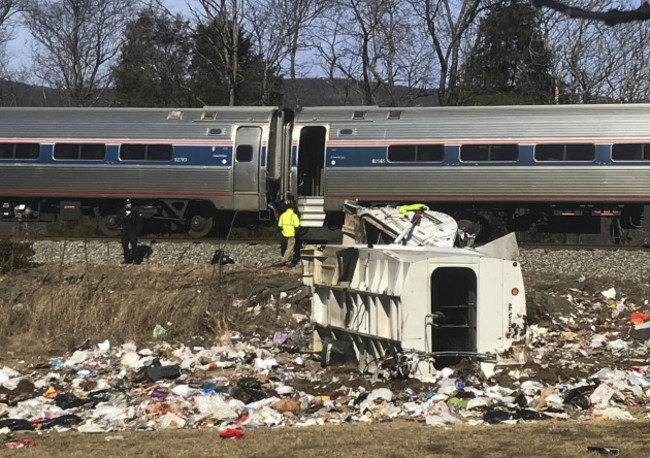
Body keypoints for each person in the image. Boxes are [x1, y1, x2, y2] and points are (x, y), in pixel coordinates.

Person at [116, 198, 140, 264]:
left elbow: (137, 221)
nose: (129, 205)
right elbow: (118, 219)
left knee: (134, 245)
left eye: (130, 204)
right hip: (124, 229)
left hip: (132, 229)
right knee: (125, 245)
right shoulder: (121, 211)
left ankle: (136, 260)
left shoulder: (135, 211)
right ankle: (127, 259)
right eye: (127, 204)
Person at [278, 199, 300, 265]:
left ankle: (289, 261)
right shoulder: (294, 216)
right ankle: (284, 259)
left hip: (284, 234)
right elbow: (297, 225)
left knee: (287, 248)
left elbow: (279, 225)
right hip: (291, 234)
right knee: (290, 248)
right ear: (292, 209)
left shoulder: (282, 215)